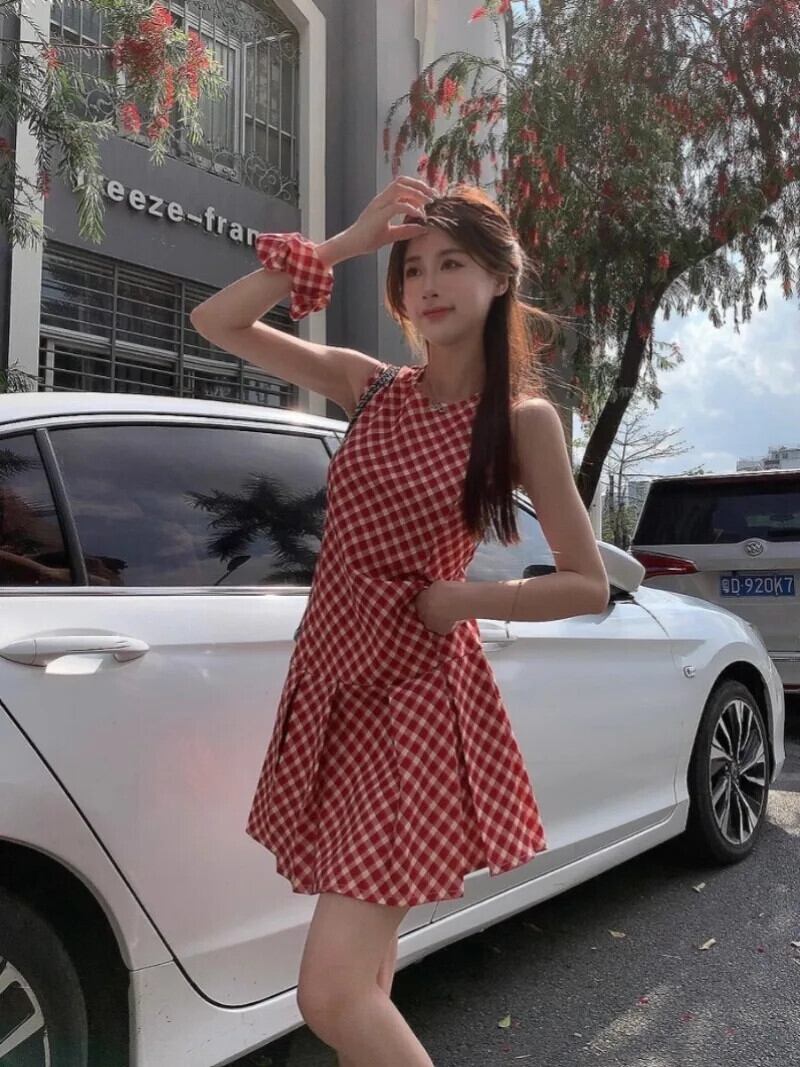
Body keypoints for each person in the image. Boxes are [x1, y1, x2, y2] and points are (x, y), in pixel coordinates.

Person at [190, 176, 610, 1067]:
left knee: (332, 992)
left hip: (415, 702)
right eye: (413, 268)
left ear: (500, 277)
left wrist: (466, 598)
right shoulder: (371, 387)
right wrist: (346, 244)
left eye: (452, 263)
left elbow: (588, 583)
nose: (428, 284)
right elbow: (217, 322)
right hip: (334, 686)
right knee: (365, 984)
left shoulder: (521, 421)